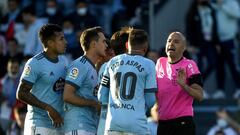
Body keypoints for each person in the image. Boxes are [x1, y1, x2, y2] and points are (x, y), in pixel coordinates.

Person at [98, 29, 157, 135]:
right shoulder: (149, 64)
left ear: (127, 45)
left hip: (112, 124)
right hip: (137, 125)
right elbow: (151, 100)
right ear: (146, 47)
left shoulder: (112, 61)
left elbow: (101, 96)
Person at [16, 24, 68, 135]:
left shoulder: (64, 61)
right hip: (39, 124)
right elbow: (21, 93)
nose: (66, 42)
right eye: (61, 39)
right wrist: (48, 108)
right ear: (50, 43)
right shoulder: (35, 63)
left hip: (59, 124)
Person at [155, 32, 203, 135]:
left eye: (176, 42)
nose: (171, 44)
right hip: (163, 123)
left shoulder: (189, 65)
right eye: (169, 41)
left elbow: (199, 95)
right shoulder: (160, 63)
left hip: (182, 122)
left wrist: (184, 86)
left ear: (184, 48)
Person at [63, 26, 107, 135]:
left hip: (89, 125)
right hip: (78, 126)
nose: (106, 45)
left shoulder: (93, 67)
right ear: (93, 44)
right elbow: (67, 96)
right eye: (103, 41)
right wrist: (93, 103)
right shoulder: (80, 65)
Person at [97, 27, 131, 135]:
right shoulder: (138, 66)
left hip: (107, 120)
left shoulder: (105, 67)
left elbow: (101, 96)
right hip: (130, 120)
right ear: (128, 46)